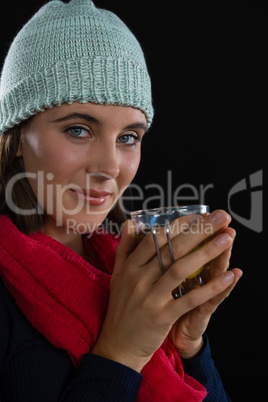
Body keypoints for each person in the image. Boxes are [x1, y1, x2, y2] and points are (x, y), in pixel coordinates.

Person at [0, 0, 242, 401]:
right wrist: (121, 353)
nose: (111, 167)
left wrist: (186, 345)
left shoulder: (129, 269)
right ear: (17, 138)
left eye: (128, 137)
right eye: (78, 129)